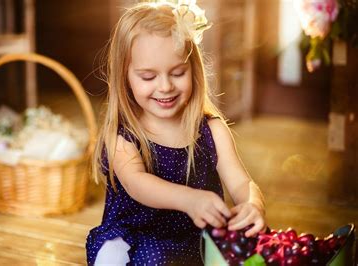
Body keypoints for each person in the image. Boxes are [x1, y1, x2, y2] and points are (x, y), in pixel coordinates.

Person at [86, 1, 266, 265]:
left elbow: (241, 183)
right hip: (136, 236)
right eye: (148, 77)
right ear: (125, 78)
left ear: (194, 70)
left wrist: (254, 205)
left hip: (198, 239)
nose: (165, 86)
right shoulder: (123, 137)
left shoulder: (211, 130)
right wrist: (189, 200)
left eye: (178, 72)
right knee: (115, 256)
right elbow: (137, 183)